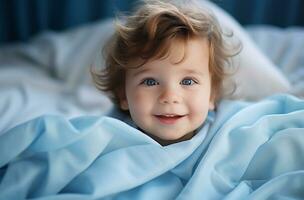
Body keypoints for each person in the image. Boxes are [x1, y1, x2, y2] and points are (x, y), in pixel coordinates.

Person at [91, 0, 239, 146]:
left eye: (188, 81)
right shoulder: (107, 143)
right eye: (150, 82)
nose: (170, 97)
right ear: (123, 94)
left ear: (211, 95)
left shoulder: (226, 140)